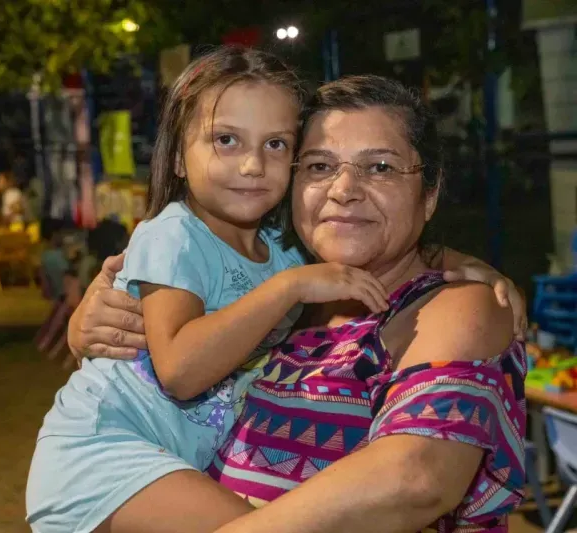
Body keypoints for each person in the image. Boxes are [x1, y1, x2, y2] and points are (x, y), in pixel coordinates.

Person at [27, 50, 526, 533]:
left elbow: (415, 478)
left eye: (380, 167)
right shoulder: (287, 276)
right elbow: (176, 364)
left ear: (431, 193)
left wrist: (472, 267)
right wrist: (82, 329)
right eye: (319, 166)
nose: (344, 189)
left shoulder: (430, 304)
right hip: (115, 463)